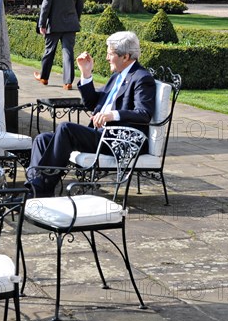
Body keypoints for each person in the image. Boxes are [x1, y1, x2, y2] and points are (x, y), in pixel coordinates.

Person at [25, 31, 156, 197]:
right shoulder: (117, 76)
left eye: (110, 54)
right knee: (42, 139)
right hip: (102, 134)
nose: (107, 58)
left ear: (126, 56)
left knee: (66, 128)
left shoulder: (142, 78)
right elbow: (93, 103)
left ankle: (36, 191)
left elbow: (144, 114)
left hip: (118, 140)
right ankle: (35, 188)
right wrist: (86, 74)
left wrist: (113, 115)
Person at [33, 0, 84, 91]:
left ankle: (44, 77)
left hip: (54, 25)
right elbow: (80, 5)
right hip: (70, 25)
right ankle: (68, 82)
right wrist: (75, 19)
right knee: (68, 52)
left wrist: (42, 24)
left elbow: (46, 5)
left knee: (49, 51)